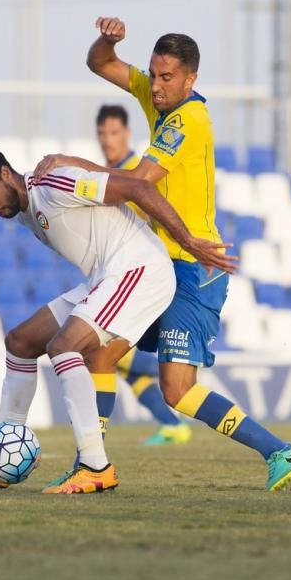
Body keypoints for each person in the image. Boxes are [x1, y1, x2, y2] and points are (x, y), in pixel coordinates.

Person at [33, 17, 291, 491]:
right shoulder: (157, 98)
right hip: (155, 264)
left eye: (166, 79)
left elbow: (135, 184)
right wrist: (109, 41)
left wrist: (73, 164)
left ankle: (280, 451)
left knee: (177, 390)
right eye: (153, 75)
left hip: (191, 268)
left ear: (190, 80)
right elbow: (100, 63)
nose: (156, 87)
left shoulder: (188, 120)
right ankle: (92, 465)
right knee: (99, 355)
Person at [0, 142, 236, 495]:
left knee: (65, 346)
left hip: (138, 270)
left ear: (6, 173)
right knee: (20, 342)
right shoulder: (24, 210)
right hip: (105, 277)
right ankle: (3, 446)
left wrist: (187, 241)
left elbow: (137, 187)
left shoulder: (53, 185)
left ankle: (95, 466)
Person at [96, 103, 191, 446]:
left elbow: (155, 219)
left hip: (147, 278)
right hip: (123, 278)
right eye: (103, 133)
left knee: (108, 351)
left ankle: (96, 444)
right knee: (114, 356)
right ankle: (170, 424)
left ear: (127, 133)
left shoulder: (137, 173)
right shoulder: (110, 176)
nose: (108, 140)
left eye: (114, 133)